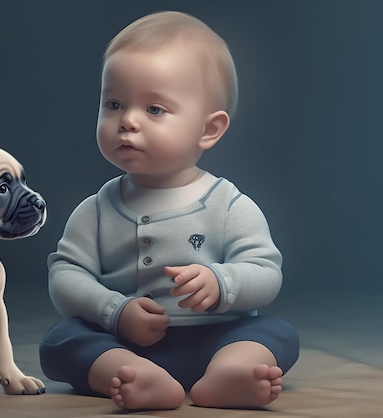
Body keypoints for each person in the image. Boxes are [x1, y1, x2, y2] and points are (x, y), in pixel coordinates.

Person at [39, 10, 299, 411]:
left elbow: (266, 273)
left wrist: (222, 281)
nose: (127, 121)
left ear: (208, 129)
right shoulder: (95, 210)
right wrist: (115, 310)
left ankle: (229, 374)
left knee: (276, 333)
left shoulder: (229, 205)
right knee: (61, 340)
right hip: (127, 342)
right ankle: (137, 377)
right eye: (113, 104)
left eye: (154, 109)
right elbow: (66, 276)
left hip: (218, 336)